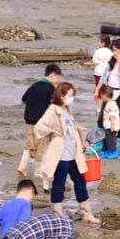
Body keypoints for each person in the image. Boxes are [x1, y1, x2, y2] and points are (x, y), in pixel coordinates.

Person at [34, 81, 99, 224]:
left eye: (73, 95)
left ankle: (87, 212)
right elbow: (39, 127)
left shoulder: (67, 110)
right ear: (61, 95)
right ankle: (58, 214)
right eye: (70, 95)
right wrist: (52, 132)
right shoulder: (53, 110)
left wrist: (82, 143)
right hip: (61, 156)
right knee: (59, 184)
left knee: (80, 182)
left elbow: (74, 129)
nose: (72, 98)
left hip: (74, 154)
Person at [18, 64, 62, 176]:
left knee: (30, 145)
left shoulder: (34, 85)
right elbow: (53, 106)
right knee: (41, 147)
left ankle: (22, 166)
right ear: (52, 75)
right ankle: (38, 172)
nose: (58, 80)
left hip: (29, 120)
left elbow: (24, 99)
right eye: (58, 77)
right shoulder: (51, 88)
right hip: (41, 122)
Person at [99, 89, 120, 159]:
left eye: (102, 95)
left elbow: (112, 116)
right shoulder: (109, 103)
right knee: (106, 140)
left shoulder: (111, 104)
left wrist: (112, 126)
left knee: (111, 140)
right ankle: (107, 152)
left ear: (105, 95)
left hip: (110, 126)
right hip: (107, 126)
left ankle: (113, 153)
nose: (101, 97)